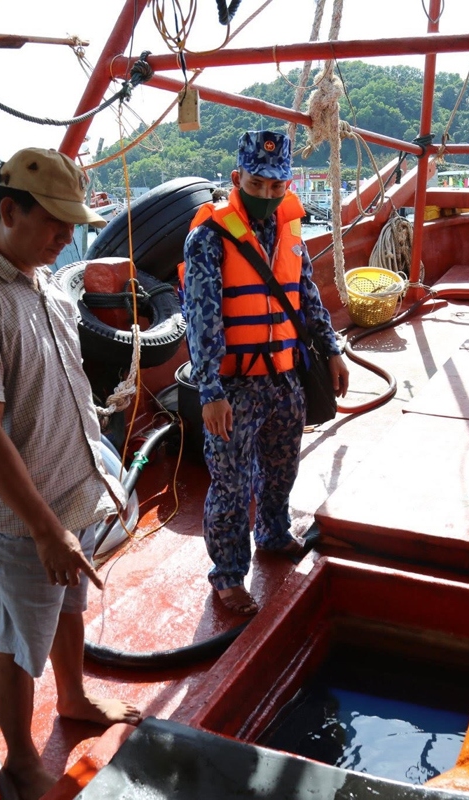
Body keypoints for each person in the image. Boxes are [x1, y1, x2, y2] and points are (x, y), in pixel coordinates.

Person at [0, 147, 141, 799]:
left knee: (69, 603)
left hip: (70, 493)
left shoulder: (42, 278)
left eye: (72, 224)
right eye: (55, 222)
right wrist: (47, 531)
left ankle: (73, 695)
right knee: (20, 638)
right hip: (23, 517)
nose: (67, 236)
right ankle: (20, 757)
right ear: (9, 211)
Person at [182, 130, 349, 616]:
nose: (268, 195)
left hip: (284, 376)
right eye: (257, 185)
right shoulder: (208, 239)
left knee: (281, 469)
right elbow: (202, 317)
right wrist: (210, 391)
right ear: (238, 178)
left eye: (277, 187)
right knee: (230, 485)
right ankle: (229, 575)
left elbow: (307, 294)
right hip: (233, 387)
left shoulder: (290, 229)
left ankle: (273, 533)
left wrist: (330, 348)